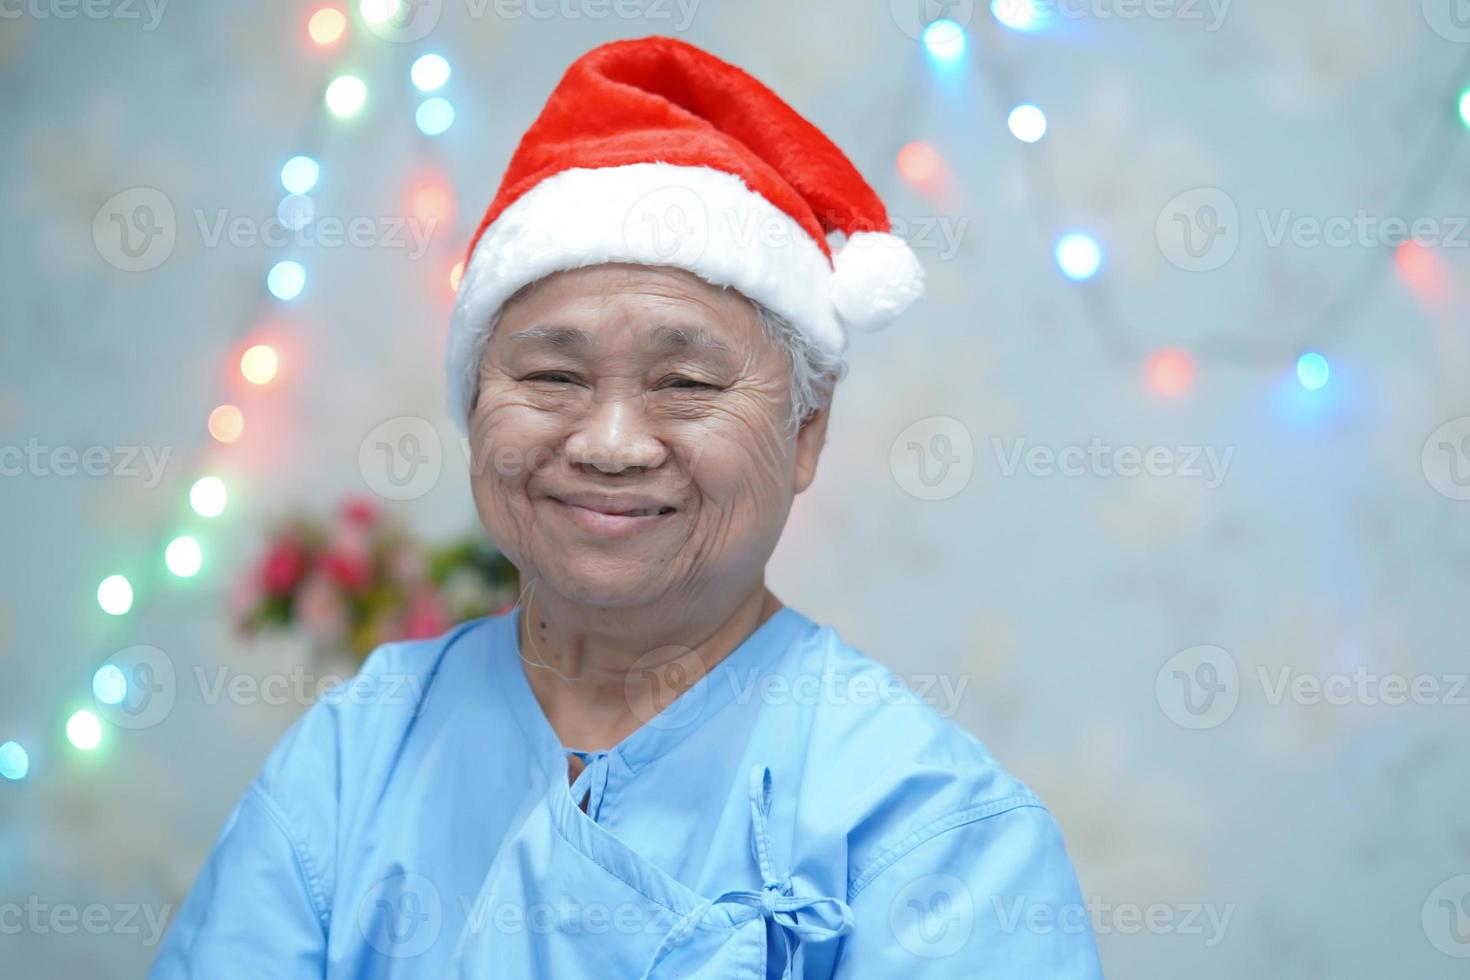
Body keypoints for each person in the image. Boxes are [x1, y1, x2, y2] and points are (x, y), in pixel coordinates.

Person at [151, 36, 1103, 978]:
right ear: (476, 407)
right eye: (552, 375)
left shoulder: (933, 832)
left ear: (805, 432)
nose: (609, 444)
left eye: (685, 382)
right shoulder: (360, 749)